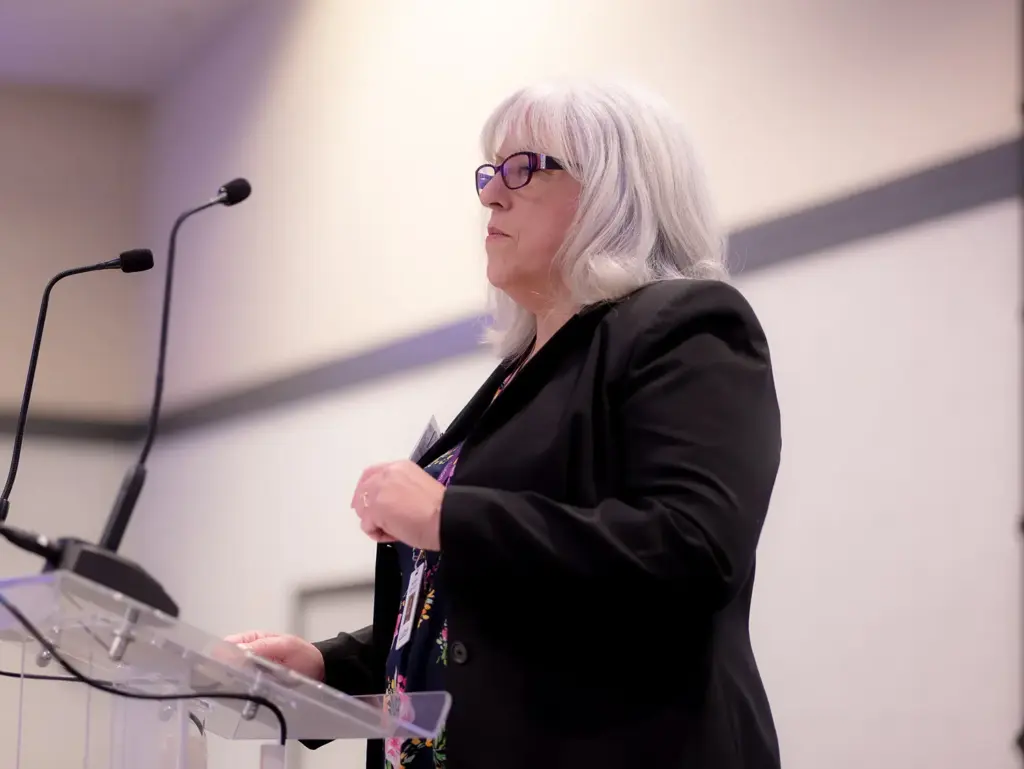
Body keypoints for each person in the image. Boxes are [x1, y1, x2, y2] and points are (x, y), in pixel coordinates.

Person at [227, 80, 783, 769]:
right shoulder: (520, 372)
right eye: (491, 171)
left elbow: (692, 549)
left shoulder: (684, 326)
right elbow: (483, 612)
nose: (491, 193)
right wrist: (327, 668)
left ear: (614, 190)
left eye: (524, 168)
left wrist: (447, 516)